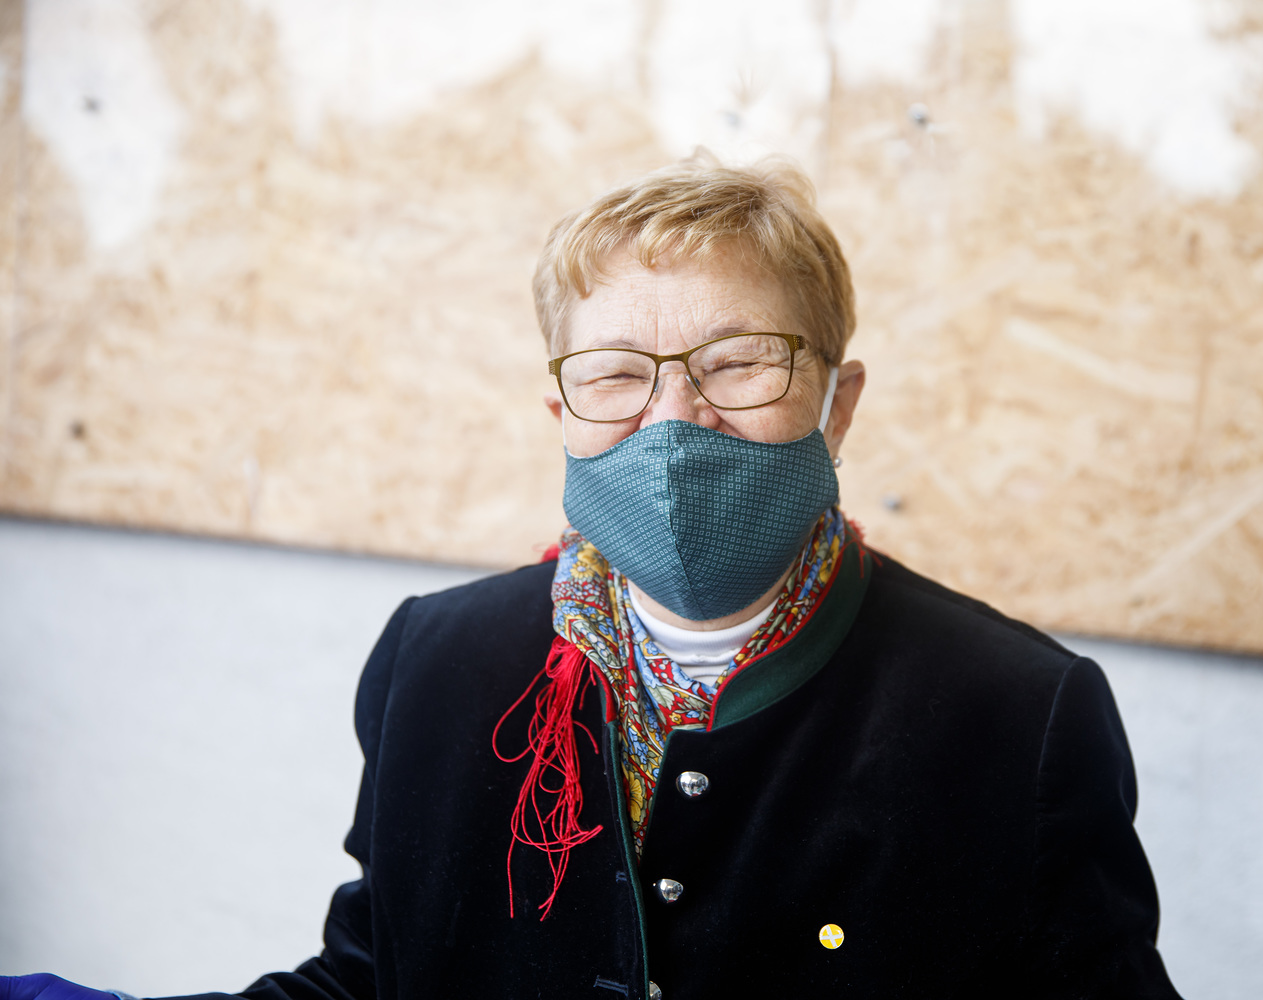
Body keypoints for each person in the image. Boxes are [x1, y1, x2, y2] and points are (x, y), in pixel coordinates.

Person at [2, 155, 1181, 999]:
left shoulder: (1016, 713)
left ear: (838, 403)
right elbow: (374, 976)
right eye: (616, 373)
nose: (675, 418)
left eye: (739, 363)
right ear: (560, 411)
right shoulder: (436, 662)